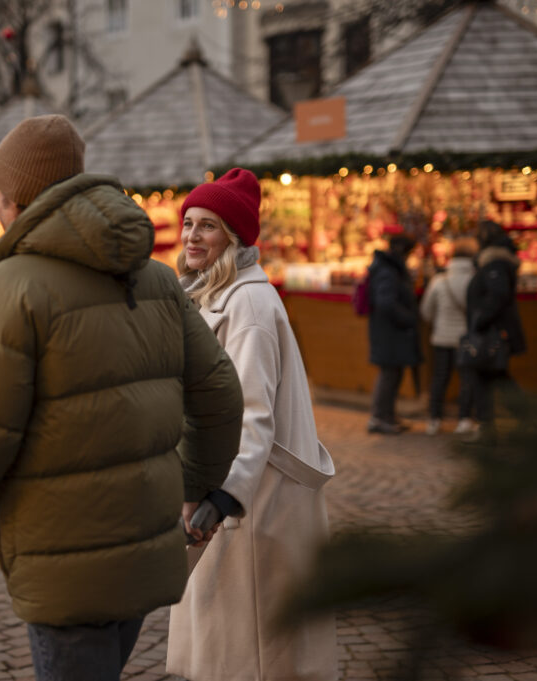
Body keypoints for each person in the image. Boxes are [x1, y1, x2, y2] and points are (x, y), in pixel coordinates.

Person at [0, 115, 244, 681]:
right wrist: (193, 488)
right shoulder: (159, 279)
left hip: (63, 558)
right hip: (143, 543)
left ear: (14, 198)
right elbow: (220, 394)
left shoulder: (11, 285)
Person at [167, 168, 337, 681]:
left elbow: (252, 414)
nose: (192, 236)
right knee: (226, 642)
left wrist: (222, 498)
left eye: (208, 226)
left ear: (234, 238)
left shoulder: (249, 304)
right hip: (223, 487)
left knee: (252, 653)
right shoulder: (210, 294)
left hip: (253, 500)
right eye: (189, 223)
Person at [465, 220, 526, 440]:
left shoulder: (495, 264)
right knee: (495, 378)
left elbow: (497, 296)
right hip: (492, 331)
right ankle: (520, 421)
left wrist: (480, 320)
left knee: (487, 377)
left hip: (492, 333)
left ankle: (489, 427)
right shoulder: (495, 262)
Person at [419, 236, 479, 436]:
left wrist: (439, 321)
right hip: (467, 338)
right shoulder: (475, 280)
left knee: (439, 378)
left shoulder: (439, 280)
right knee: (467, 380)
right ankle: (464, 419)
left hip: (441, 337)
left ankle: (434, 419)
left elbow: (426, 311)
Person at [366, 232, 422, 434]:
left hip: (390, 330)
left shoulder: (388, 268)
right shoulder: (388, 271)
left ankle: (387, 415)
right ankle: (379, 417)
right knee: (389, 373)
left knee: (394, 373)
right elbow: (385, 302)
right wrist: (407, 317)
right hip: (389, 331)